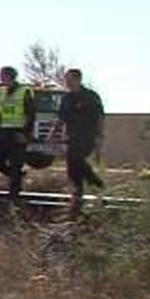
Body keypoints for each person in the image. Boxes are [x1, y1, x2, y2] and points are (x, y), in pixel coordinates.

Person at [58, 67, 105, 214]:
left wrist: (100, 136)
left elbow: (100, 117)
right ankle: (78, 194)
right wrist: (53, 134)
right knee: (72, 166)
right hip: (71, 136)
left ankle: (96, 183)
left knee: (76, 158)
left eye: (69, 79)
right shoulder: (66, 98)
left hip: (87, 135)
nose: (67, 82)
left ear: (77, 79)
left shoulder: (91, 96)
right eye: (66, 79)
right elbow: (61, 118)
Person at [0, 65, 35, 204]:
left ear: (9, 76)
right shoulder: (3, 92)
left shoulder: (24, 91)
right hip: (4, 132)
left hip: (18, 132)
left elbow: (31, 115)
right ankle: (17, 176)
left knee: (16, 164)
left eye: (2, 76)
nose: (0, 78)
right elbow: (1, 114)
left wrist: (25, 133)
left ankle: (14, 196)